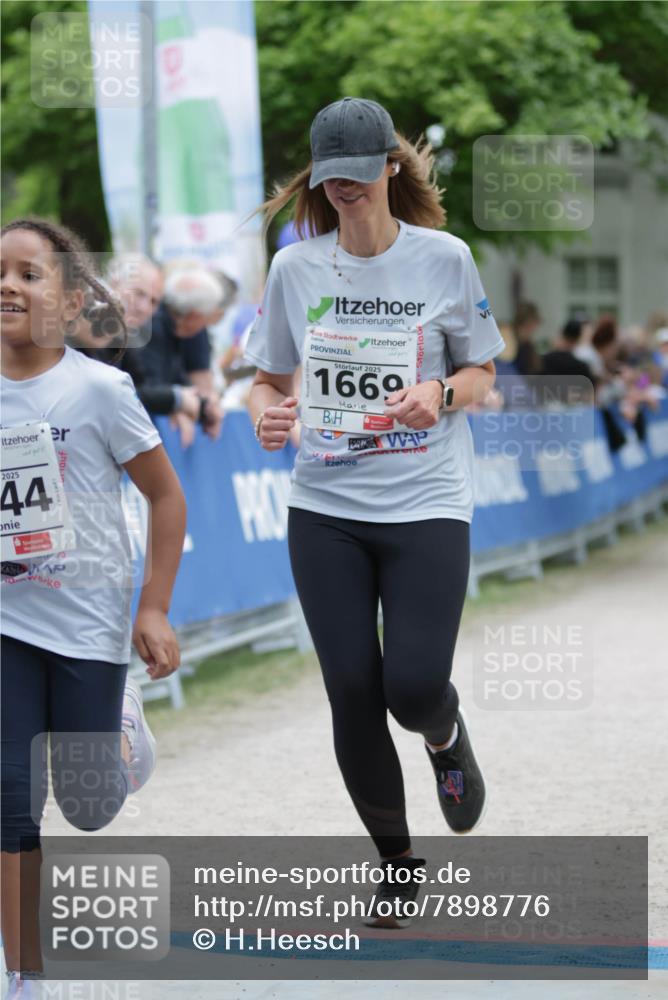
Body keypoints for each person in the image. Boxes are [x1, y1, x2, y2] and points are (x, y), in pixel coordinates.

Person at [245, 97, 505, 928]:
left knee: (413, 686)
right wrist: (265, 413)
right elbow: (265, 379)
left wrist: (440, 391)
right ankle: (396, 866)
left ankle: (444, 734)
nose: (346, 192)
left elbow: (484, 376)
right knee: (352, 688)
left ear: (391, 167)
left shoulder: (445, 258)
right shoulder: (295, 269)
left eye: (360, 176)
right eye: (332, 180)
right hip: (324, 506)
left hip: (427, 502)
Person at [0, 218, 187, 996]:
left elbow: (166, 497)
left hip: (88, 623)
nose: (7, 286)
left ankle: (121, 727)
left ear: (72, 301)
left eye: (29, 274)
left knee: (87, 807)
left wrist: (153, 610)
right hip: (6, 620)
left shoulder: (101, 390)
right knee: (10, 797)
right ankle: (24, 974)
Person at [139, 266, 225, 446]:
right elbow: (146, 389)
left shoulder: (178, 328)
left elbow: (183, 381)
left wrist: (203, 406)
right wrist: (176, 402)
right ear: (194, 316)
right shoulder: (151, 328)